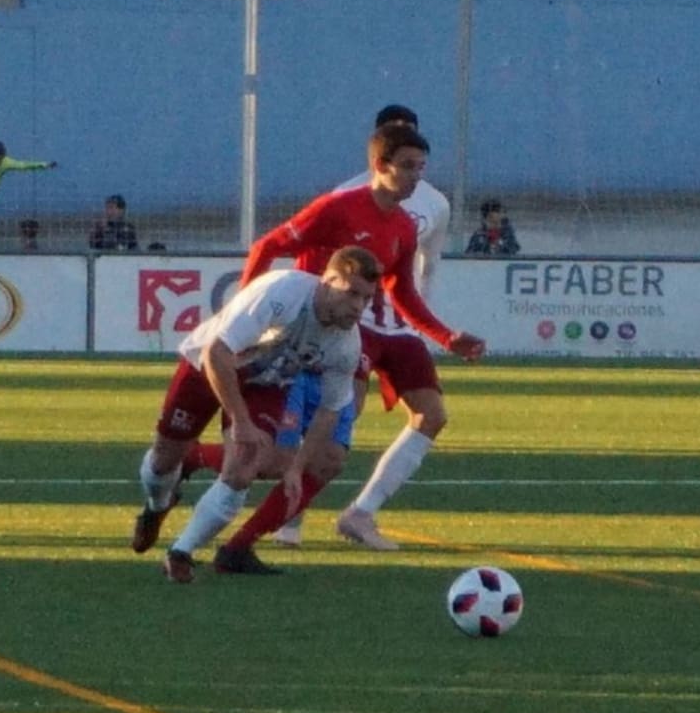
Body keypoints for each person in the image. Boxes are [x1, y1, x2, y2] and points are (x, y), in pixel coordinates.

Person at [182, 119, 484, 564]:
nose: (417, 175)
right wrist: (245, 313)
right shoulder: (339, 204)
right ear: (379, 162)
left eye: (422, 166)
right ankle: (202, 463)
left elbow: (402, 288)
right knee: (289, 454)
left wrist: (444, 335)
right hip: (329, 335)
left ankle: (245, 545)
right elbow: (269, 244)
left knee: (341, 450)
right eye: (408, 166)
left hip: (377, 332)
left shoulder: (408, 222)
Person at [131, 245, 382, 584]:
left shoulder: (346, 344)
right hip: (207, 366)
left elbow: (331, 410)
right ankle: (157, 505)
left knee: (246, 466)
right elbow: (216, 352)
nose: (358, 307)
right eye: (351, 293)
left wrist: (296, 468)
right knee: (163, 458)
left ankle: (181, 552)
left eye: (366, 299)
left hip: (265, 384)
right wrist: (242, 423)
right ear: (327, 281)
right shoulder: (282, 292)